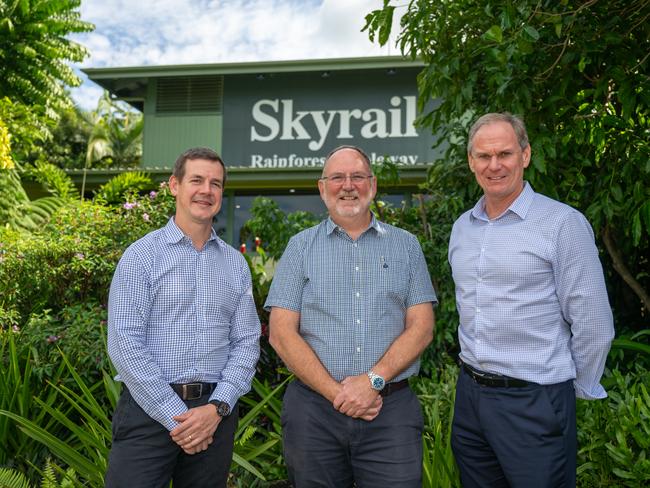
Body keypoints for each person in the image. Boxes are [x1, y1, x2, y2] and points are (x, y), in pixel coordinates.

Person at [448, 113, 615, 487]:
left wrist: (569, 391)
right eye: (483, 155)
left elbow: (594, 323)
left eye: (504, 153)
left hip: (534, 402)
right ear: (471, 161)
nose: (494, 165)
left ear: (525, 155)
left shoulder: (561, 224)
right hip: (470, 400)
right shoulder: (462, 228)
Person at [264, 145, 437, 487]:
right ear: (321, 187)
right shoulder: (300, 247)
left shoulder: (406, 246)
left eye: (357, 177)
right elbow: (281, 333)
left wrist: (373, 382)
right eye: (337, 178)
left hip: (391, 413)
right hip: (315, 413)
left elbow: (422, 327)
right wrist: (338, 394)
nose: (348, 186)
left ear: (372, 185)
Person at [105, 147, 261, 488]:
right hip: (149, 412)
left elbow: (247, 342)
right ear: (174, 185)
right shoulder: (141, 257)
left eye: (216, 183)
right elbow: (124, 343)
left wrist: (217, 407)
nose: (207, 190)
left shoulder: (235, 265)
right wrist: (175, 417)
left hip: (214, 416)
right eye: (197, 180)